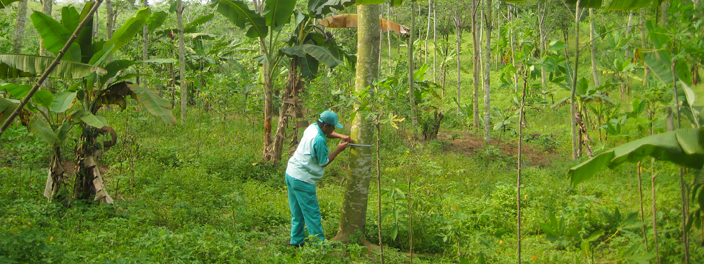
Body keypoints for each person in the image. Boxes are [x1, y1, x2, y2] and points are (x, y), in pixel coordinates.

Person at [285, 110, 351, 247]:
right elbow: (324, 162)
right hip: (303, 179)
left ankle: (296, 242)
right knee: (312, 214)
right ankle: (318, 246)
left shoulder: (312, 127)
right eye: (333, 127)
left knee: (297, 213)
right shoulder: (319, 140)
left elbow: (328, 133)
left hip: (291, 173)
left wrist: (341, 135)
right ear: (326, 125)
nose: (334, 129)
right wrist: (338, 150)